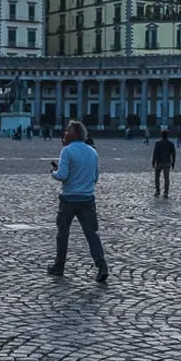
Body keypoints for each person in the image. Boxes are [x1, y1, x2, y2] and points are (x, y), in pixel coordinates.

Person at [48, 120, 108, 284]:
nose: (65, 133)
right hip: (88, 199)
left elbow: (63, 175)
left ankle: (59, 267)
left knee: (63, 234)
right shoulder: (92, 152)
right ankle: (102, 266)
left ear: (74, 134)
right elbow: (95, 177)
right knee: (92, 235)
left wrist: (54, 171)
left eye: (67, 131)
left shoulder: (67, 151)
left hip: (68, 199)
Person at [150, 130, 177, 199]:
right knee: (166, 178)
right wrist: (173, 163)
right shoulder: (170, 143)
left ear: (161, 135)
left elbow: (155, 153)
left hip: (159, 162)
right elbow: (173, 154)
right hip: (167, 162)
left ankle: (157, 190)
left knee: (157, 177)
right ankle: (166, 192)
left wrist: (153, 162)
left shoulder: (158, 143)